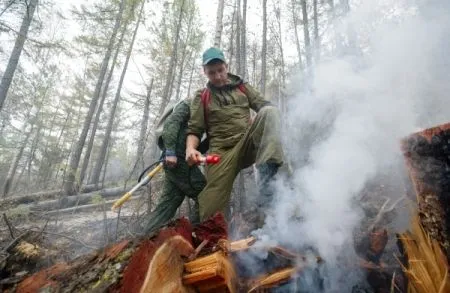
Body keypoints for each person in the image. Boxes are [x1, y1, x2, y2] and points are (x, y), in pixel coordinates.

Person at [185, 47, 284, 223]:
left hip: (248, 143)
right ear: (205, 73)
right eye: (211, 73)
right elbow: (194, 129)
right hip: (220, 153)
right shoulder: (202, 96)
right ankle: (217, 243)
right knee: (210, 213)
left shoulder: (242, 87)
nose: (217, 76)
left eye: (220, 70)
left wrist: (259, 121)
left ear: (226, 66)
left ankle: (268, 178)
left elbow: (264, 106)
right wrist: (190, 148)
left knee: (270, 112)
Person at [142, 98, 206, 235]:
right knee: (206, 194)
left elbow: (199, 142)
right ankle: (194, 232)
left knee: (168, 204)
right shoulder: (192, 102)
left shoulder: (208, 114)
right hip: (177, 158)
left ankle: (143, 238)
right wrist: (170, 152)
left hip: (182, 159)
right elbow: (171, 123)